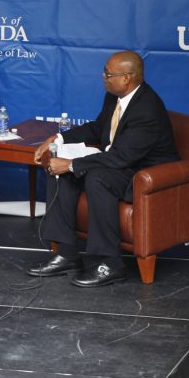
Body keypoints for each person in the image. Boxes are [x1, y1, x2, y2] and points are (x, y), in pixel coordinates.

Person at [28, 50, 178, 286]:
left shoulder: (147, 109)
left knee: (95, 177)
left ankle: (111, 264)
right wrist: (57, 139)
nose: (103, 77)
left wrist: (72, 164)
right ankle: (67, 254)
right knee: (57, 168)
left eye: (108, 74)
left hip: (145, 174)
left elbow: (122, 157)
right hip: (121, 163)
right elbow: (99, 128)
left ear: (127, 78)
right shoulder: (114, 96)